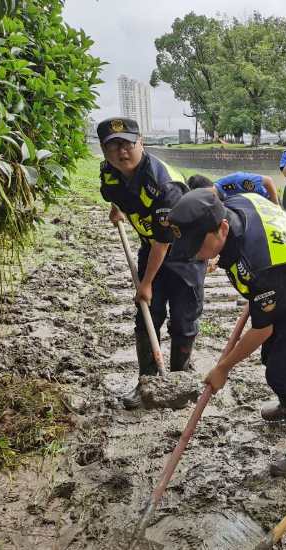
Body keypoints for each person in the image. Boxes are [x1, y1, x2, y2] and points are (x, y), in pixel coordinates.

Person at [166, 187, 286, 476]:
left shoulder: (260, 264)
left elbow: (262, 329)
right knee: (271, 355)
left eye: (197, 245)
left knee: (283, 371)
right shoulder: (235, 205)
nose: (194, 254)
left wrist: (223, 368)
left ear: (222, 228)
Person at [98, 117, 206, 408]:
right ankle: (147, 383)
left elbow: (164, 241)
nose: (122, 152)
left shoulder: (163, 185)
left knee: (183, 319)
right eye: (114, 146)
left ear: (141, 143)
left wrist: (146, 284)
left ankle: (178, 382)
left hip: (184, 252)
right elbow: (114, 192)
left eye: (128, 144)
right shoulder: (109, 171)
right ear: (104, 150)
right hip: (152, 246)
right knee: (147, 316)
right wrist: (117, 208)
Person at [213, 172, 280, 204]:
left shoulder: (241, 182)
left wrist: (275, 204)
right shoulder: (221, 193)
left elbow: (268, 180)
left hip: (268, 198)